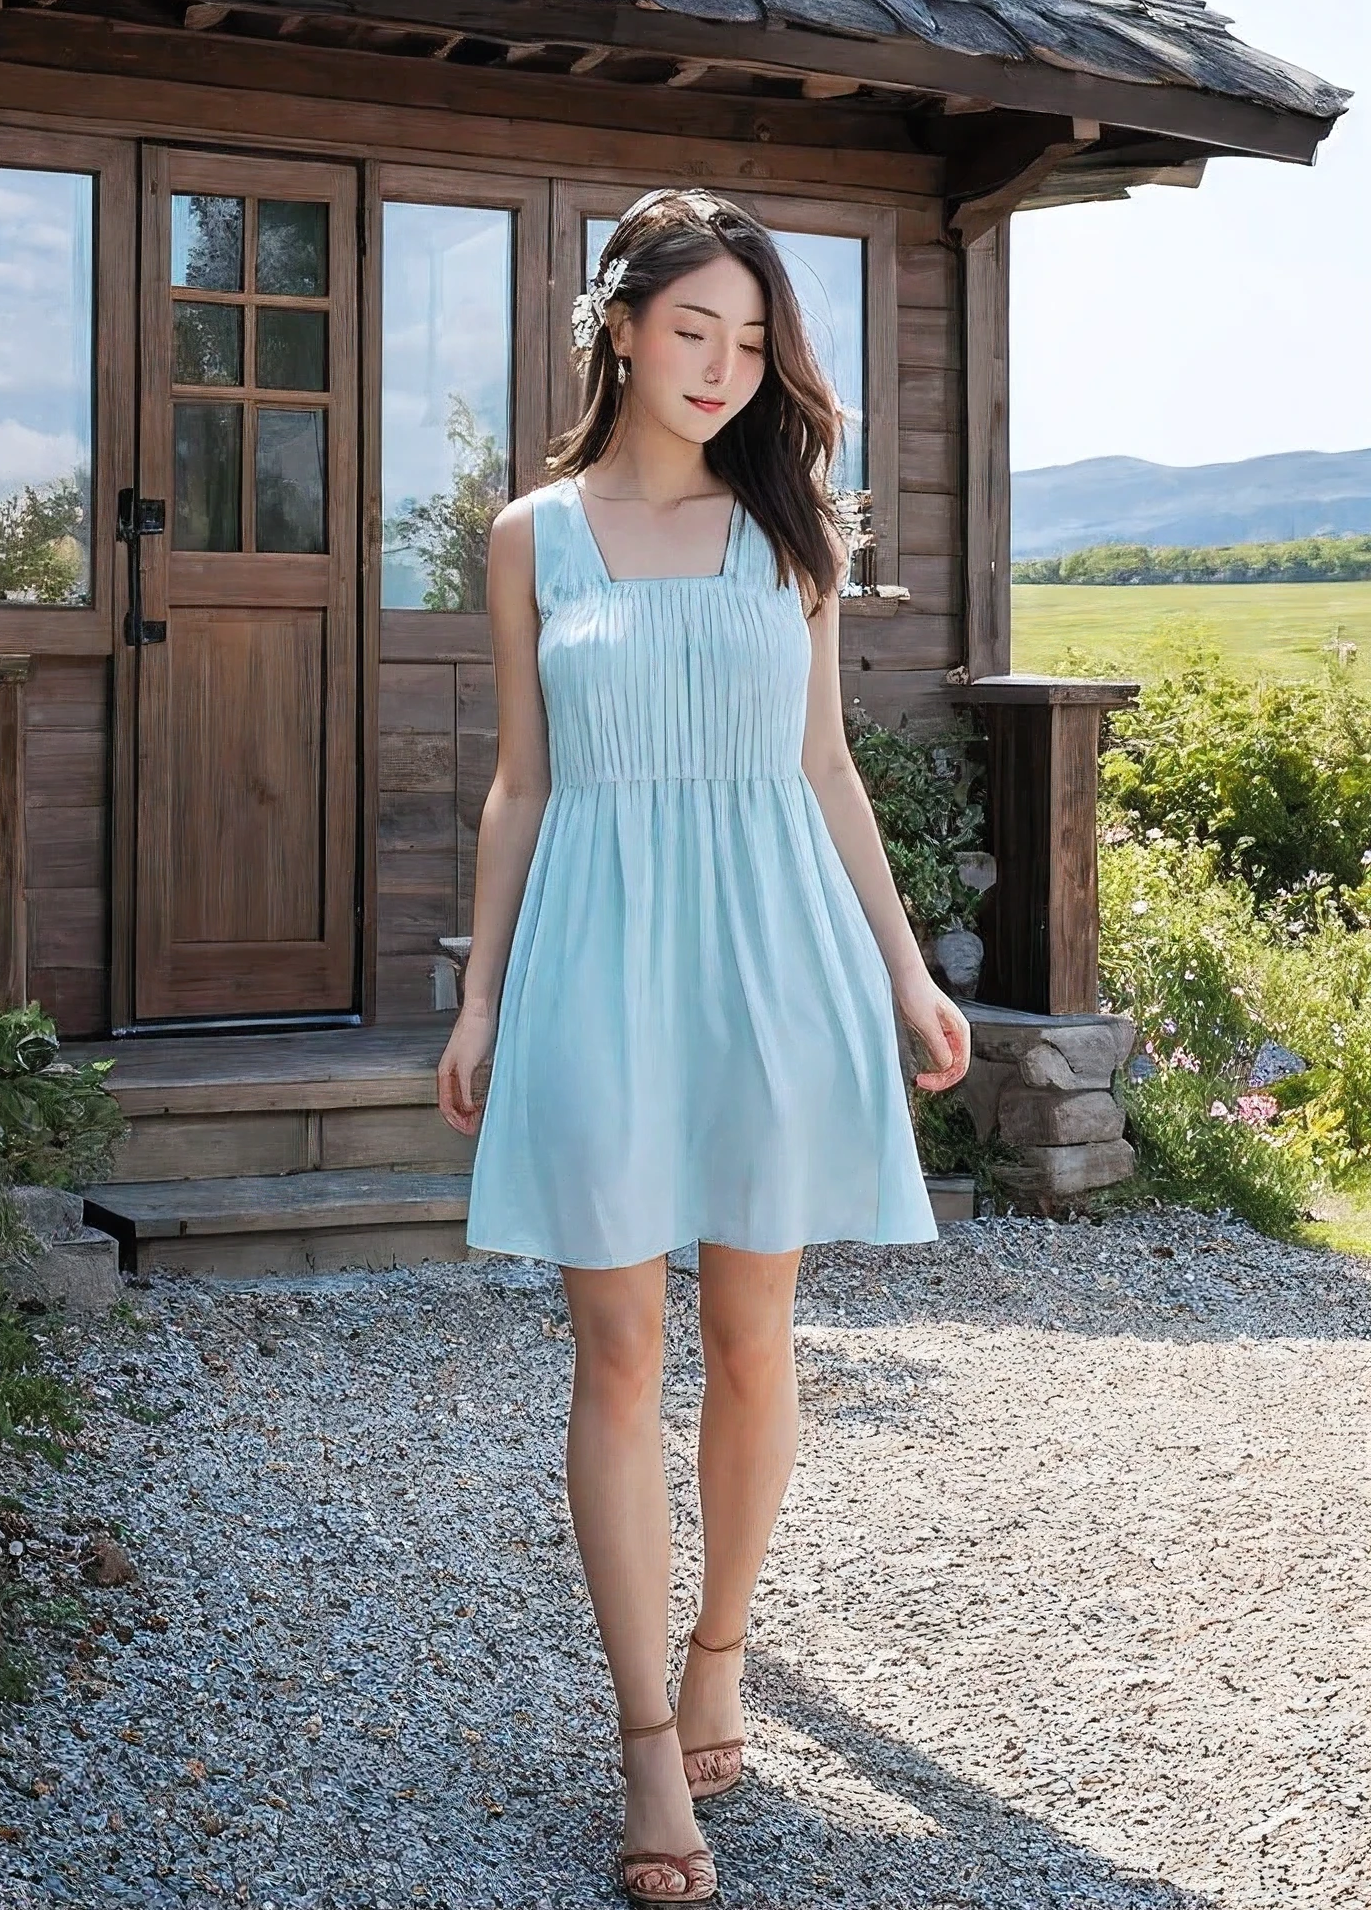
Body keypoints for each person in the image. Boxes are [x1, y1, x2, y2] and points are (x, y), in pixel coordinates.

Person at [437, 185, 972, 1904]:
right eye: (695, 331)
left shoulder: (793, 529)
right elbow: (520, 781)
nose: (726, 369)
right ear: (618, 328)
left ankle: (722, 1651)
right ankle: (644, 1748)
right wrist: (480, 993)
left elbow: (825, 773)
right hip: (595, 960)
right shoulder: (532, 534)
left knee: (752, 1341)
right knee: (616, 1354)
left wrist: (905, 975)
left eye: (753, 343)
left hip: (772, 960)